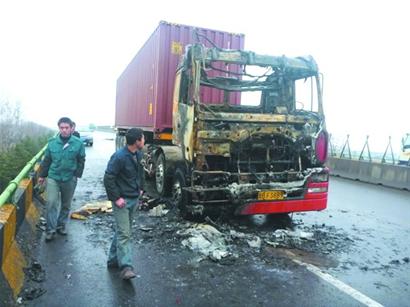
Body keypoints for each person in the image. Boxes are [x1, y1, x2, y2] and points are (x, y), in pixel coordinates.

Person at [103, 128, 145, 280]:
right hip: (122, 201)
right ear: (137, 141)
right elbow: (108, 178)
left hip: (134, 198)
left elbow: (140, 173)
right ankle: (126, 267)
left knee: (123, 231)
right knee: (125, 233)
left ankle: (113, 260)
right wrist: (116, 198)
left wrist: (141, 189)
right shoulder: (119, 157)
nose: (144, 141)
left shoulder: (138, 154)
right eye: (143, 138)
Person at [38, 117, 86, 241]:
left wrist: (76, 175)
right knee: (51, 203)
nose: (64, 130)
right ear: (59, 128)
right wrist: (42, 176)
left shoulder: (78, 143)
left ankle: (61, 225)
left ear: (71, 128)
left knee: (66, 204)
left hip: (69, 178)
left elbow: (81, 160)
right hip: (54, 177)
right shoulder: (52, 142)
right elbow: (47, 160)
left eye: (66, 128)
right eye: (62, 128)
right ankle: (50, 230)